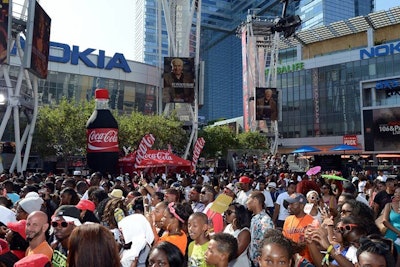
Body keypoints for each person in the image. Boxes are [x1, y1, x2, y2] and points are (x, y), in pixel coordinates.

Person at [282, 193, 314, 264]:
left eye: (293, 204)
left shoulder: (312, 221)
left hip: (306, 262)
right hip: (291, 261)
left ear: (302, 205)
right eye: (289, 204)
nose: (289, 206)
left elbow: (316, 245)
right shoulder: (288, 220)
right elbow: (284, 240)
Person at [246, 191, 274, 267]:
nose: (246, 202)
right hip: (253, 261)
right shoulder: (254, 218)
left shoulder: (265, 220)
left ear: (255, 200)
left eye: (248, 199)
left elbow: (268, 243)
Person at [223, 203, 251, 267]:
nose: (226, 214)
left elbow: (236, 253)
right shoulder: (228, 227)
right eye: (225, 212)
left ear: (238, 214)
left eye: (229, 212)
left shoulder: (245, 232)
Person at [382, 186, 400, 260]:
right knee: (389, 258)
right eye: (396, 192)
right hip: (391, 235)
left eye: (399, 193)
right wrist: (398, 232)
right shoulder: (389, 205)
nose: (398, 194)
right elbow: (385, 221)